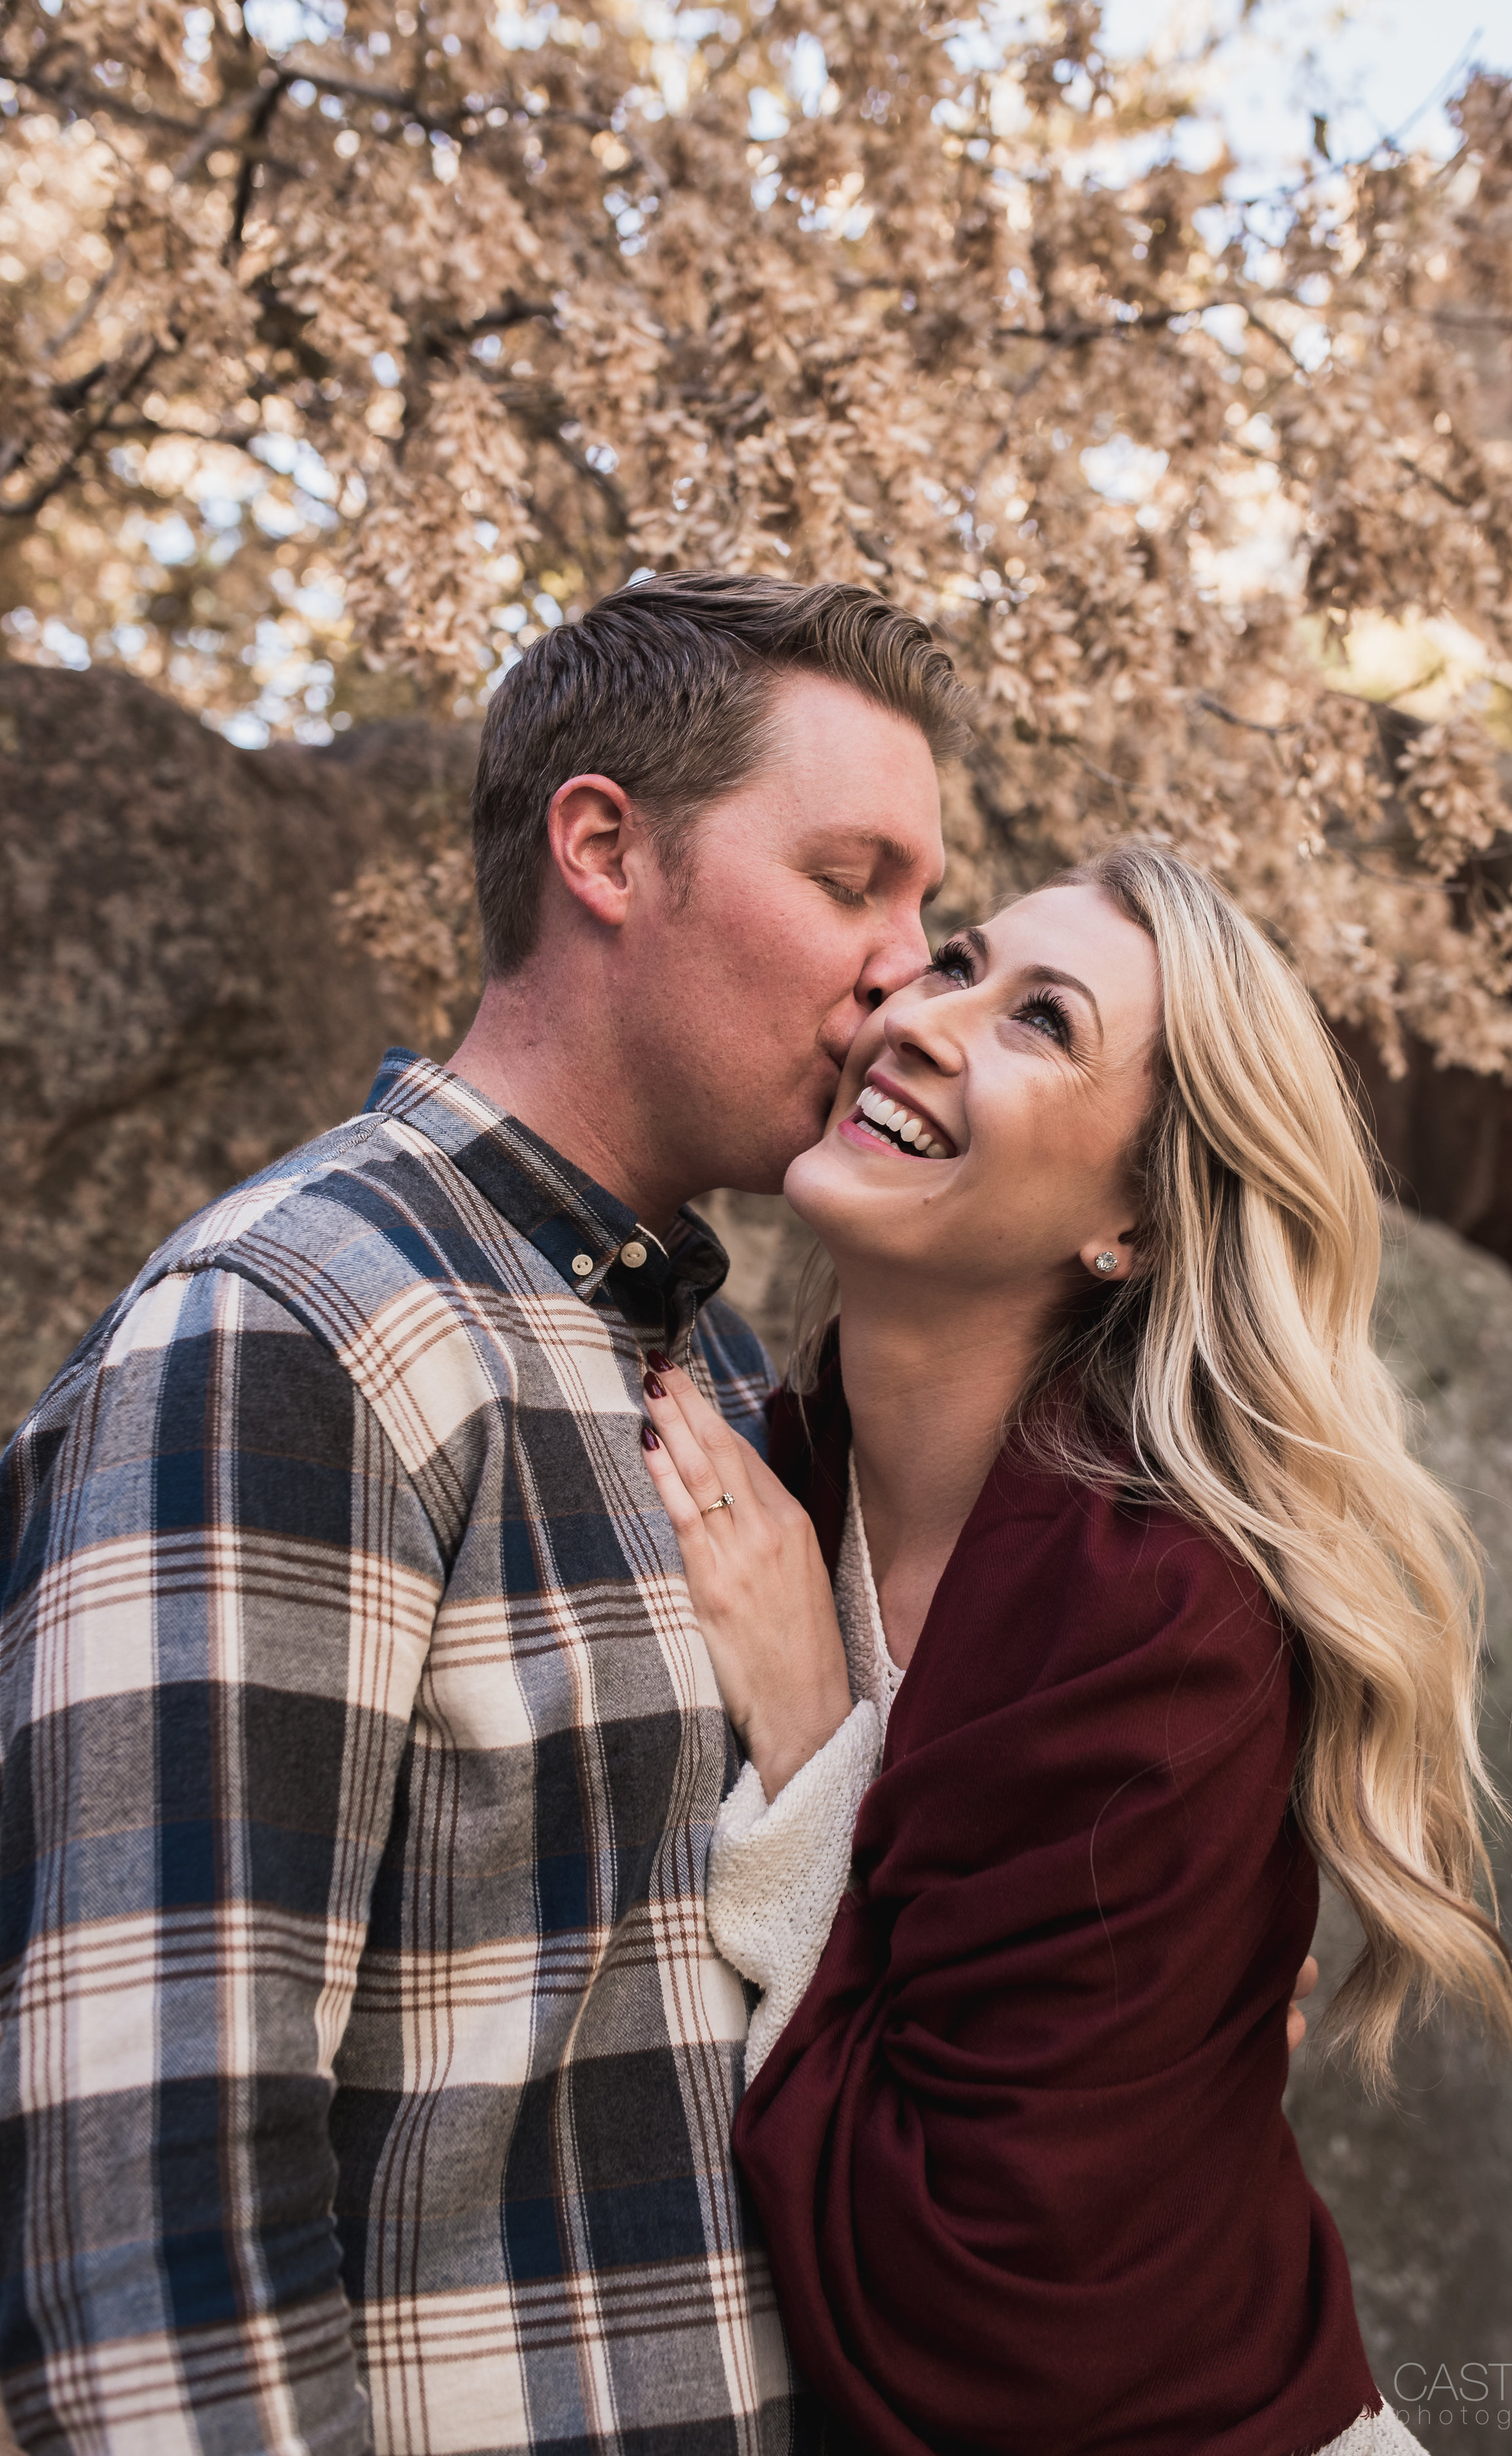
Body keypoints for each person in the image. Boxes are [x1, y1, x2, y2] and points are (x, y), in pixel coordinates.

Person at [0, 574, 964, 2454]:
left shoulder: (735, 1372)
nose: (907, 968)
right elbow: (138, 2190)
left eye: (925, 906)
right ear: (602, 847)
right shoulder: (293, 1331)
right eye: (853, 881)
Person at [637, 843, 1512, 2456]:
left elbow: (987, 2313)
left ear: (1129, 1218)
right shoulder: (778, 1466)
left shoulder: (1156, 1615)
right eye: (956, 961)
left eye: (1040, 1019)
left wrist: (815, 1741)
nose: (922, 1013)